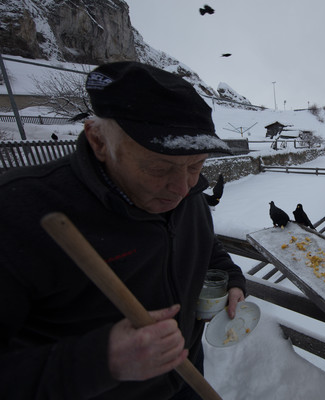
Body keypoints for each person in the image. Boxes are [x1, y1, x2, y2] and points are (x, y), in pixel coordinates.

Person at [0, 61, 246, 399]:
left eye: (196, 164)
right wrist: (99, 361)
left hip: (186, 373)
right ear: (98, 140)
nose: (181, 188)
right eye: (159, 166)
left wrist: (230, 277)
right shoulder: (17, 212)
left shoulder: (189, 195)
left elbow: (204, 247)